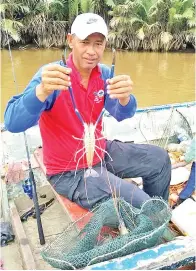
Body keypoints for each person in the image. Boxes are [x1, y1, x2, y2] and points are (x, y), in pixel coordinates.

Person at [4, 13, 171, 210]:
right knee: (142, 204)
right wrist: (40, 91)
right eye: (84, 42)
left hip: (100, 153)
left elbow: (122, 114)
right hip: (68, 171)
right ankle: (149, 214)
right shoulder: (53, 76)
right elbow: (13, 123)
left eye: (98, 44)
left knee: (159, 159)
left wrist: (126, 99)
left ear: (105, 45)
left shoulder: (105, 74)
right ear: (70, 40)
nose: (91, 51)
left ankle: (153, 216)